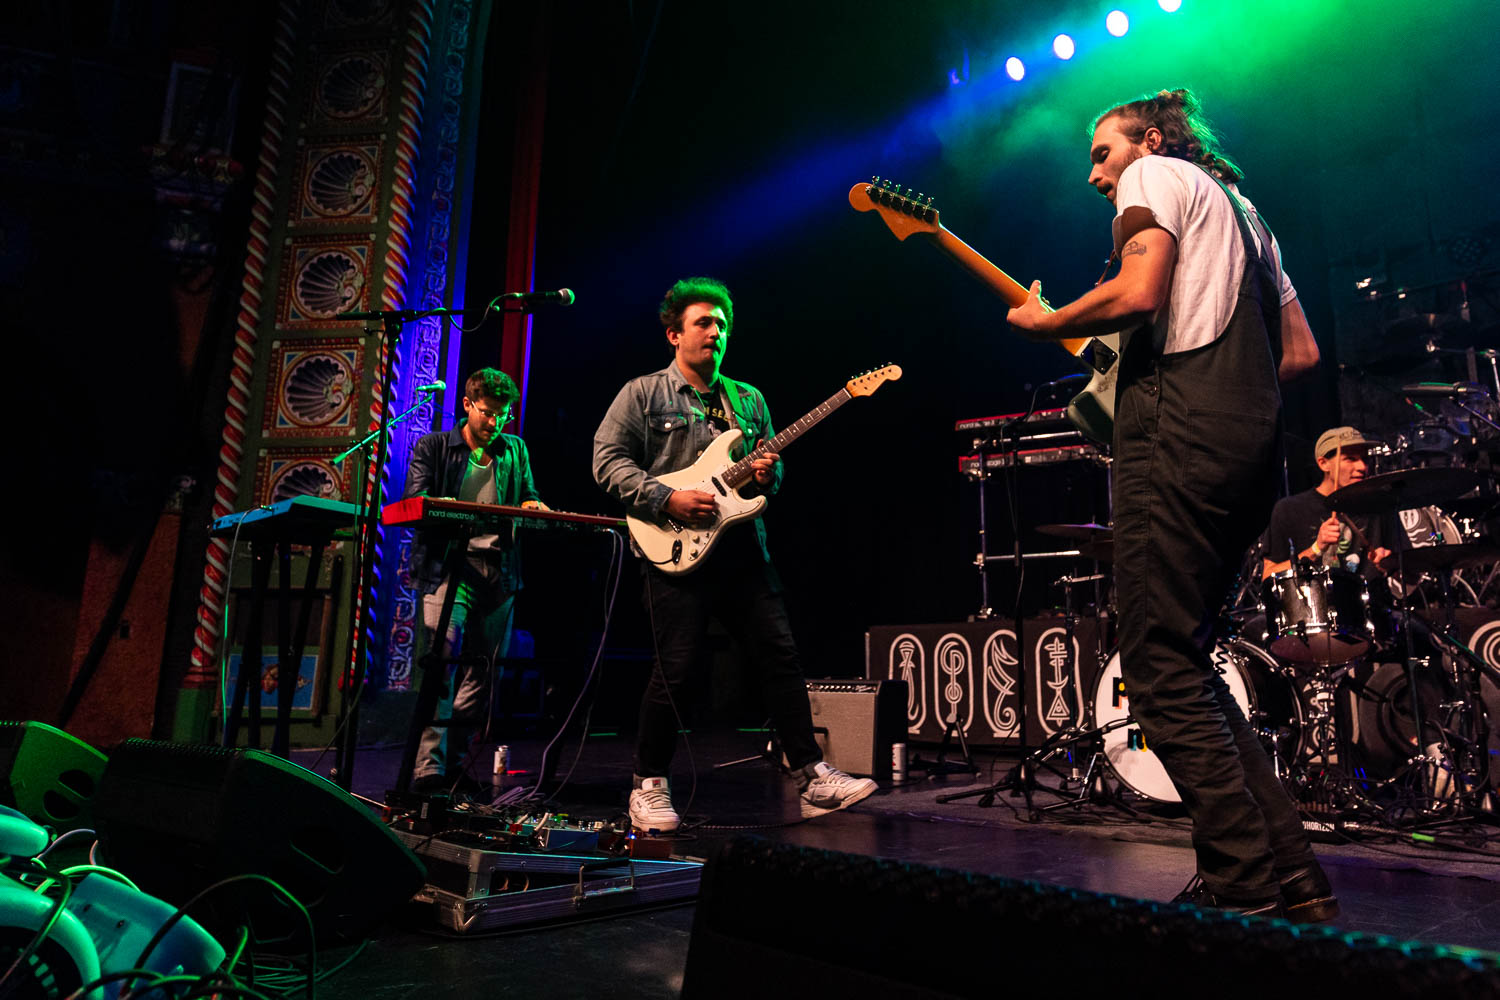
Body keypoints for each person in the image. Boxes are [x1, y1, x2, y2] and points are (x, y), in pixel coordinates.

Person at [1004, 89, 1336, 919]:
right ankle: (1291, 876)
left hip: (1179, 435)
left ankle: (1242, 887)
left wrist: (1050, 323)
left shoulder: (1152, 176)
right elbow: (1300, 353)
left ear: (1150, 141)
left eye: (1101, 153)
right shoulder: (1249, 214)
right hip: (1253, 445)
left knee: (1156, 671)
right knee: (1187, 663)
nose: (1095, 174)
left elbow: (1140, 291)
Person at [592, 276, 876, 832]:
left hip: (741, 551)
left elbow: (769, 481)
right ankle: (648, 783)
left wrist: (768, 473)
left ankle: (812, 774)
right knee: (677, 669)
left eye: (722, 325)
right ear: (674, 333)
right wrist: (668, 496)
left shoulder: (747, 400)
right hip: (672, 551)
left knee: (780, 657)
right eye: (703, 323)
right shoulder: (643, 394)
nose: (715, 333)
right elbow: (607, 462)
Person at [403, 367, 546, 793]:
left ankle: (455, 765)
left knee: (483, 673)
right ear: (467, 405)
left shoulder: (513, 448)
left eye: (503, 416)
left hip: (499, 570)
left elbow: (528, 493)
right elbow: (415, 498)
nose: (495, 423)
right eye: (487, 413)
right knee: (441, 659)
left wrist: (533, 504)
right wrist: (439, 503)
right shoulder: (434, 445)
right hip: (449, 566)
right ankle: (427, 767)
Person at [1262, 426, 1397, 579]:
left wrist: (1391, 565)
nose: (1362, 467)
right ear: (1323, 463)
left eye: (1365, 459)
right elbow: (1268, 575)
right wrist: (1316, 548)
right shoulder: (1288, 510)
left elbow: (1410, 579)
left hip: (1370, 602)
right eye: (1350, 459)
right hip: (1311, 602)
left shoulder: (1380, 507)